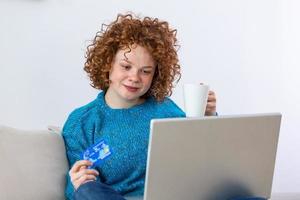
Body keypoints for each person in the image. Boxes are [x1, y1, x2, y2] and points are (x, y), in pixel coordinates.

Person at [62, 13, 217, 200]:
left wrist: (208, 116)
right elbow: (75, 191)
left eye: (145, 71)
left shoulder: (165, 109)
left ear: (155, 75)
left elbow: (201, 152)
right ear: (107, 64)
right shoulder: (82, 121)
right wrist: (77, 183)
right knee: (88, 191)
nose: (134, 77)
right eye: (126, 67)